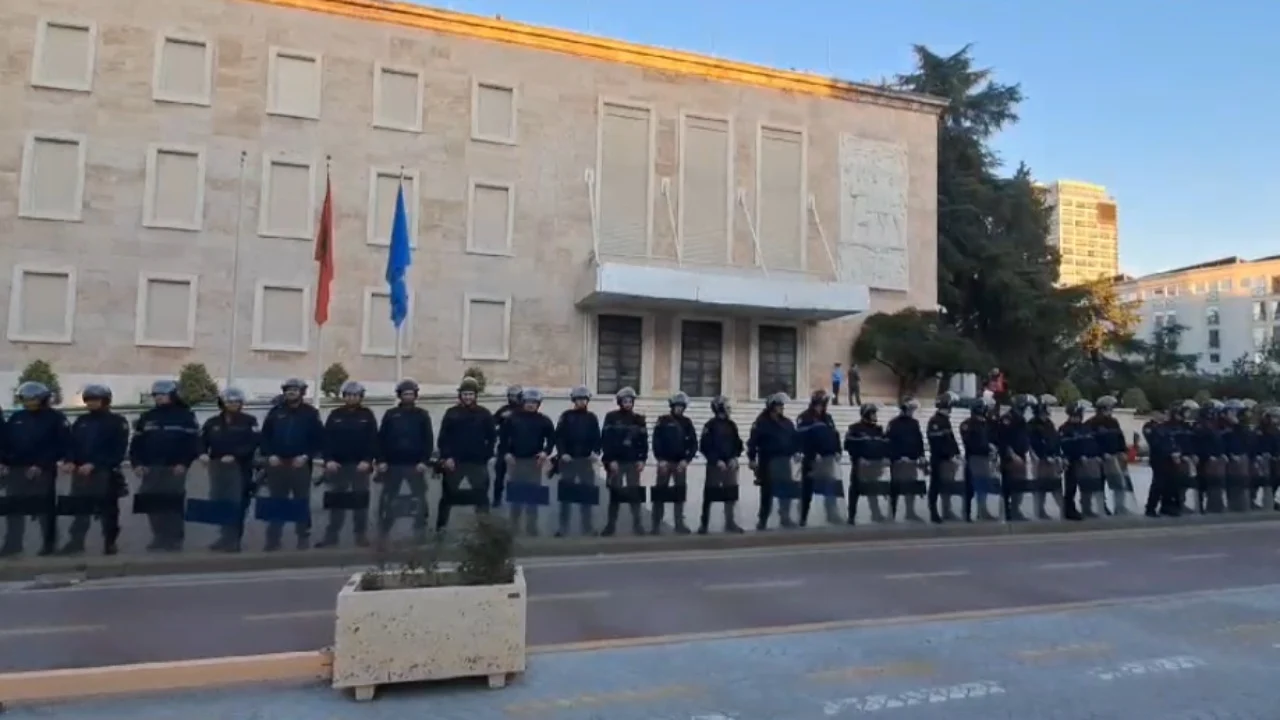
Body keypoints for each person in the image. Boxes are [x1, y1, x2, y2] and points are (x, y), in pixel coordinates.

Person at [129, 379, 200, 551]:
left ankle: (174, 539)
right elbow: (136, 444)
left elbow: (193, 443)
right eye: (156, 395)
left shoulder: (185, 416)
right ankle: (159, 537)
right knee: (152, 504)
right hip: (150, 468)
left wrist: (184, 463)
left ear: (173, 395)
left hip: (174, 468)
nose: (159, 398)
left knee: (172, 504)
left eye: (163, 394)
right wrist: (137, 464)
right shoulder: (148, 417)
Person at [1, 382, 71, 556]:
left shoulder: (56, 418)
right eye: (25, 399)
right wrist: (3, 461)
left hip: (42, 470)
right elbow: (5, 442)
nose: (29, 402)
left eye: (33, 399)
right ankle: (12, 545)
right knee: (14, 508)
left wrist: (41, 464)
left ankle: (49, 544)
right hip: (16, 469)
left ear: (43, 399)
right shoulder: (17, 418)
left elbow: (61, 445)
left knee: (44, 510)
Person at [61, 384, 129, 556]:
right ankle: (76, 542)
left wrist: (95, 464)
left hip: (105, 473)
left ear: (105, 401)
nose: (91, 403)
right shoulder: (82, 421)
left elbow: (118, 450)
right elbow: (71, 444)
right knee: (80, 509)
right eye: (89, 400)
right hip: (81, 473)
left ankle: (109, 542)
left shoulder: (117, 422)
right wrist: (69, 460)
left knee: (108, 511)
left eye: (95, 400)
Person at [259, 377, 323, 550]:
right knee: (277, 501)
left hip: (300, 465)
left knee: (300, 501)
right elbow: (264, 437)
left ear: (302, 392)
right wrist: (270, 455)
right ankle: (273, 539)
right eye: (288, 390)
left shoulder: (310, 413)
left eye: (295, 389)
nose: (291, 392)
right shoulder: (275, 412)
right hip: (277, 464)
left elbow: (318, 439)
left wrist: (305, 456)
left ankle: (302, 537)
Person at [316, 382, 377, 548]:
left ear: (360, 397)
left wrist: (367, 460)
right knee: (337, 503)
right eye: (349, 395)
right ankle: (331, 537)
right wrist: (328, 460)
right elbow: (326, 440)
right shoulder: (335, 415)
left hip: (360, 467)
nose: (352, 398)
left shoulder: (367, 415)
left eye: (355, 395)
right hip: (338, 467)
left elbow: (373, 440)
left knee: (360, 502)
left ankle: (361, 536)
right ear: (344, 396)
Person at [198, 387, 259, 552]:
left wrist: (235, 455)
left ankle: (234, 539)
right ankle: (224, 536)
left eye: (236, 401)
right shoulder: (212, 422)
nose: (233, 404)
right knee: (220, 501)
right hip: (218, 468)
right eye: (229, 401)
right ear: (222, 403)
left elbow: (253, 443)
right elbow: (201, 441)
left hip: (240, 468)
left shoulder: (249, 421)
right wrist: (202, 454)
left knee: (238, 503)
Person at [376, 379, 434, 542]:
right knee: (388, 498)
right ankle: (383, 531)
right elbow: (381, 439)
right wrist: (381, 461)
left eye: (411, 394)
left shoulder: (422, 415)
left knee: (420, 497)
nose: (408, 397)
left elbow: (428, 440)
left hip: (415, 466)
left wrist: (424, 461)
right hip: (393, 465)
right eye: (405, 394)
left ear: (415, 396)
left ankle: (420, 530)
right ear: (399, 396)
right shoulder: (391, 414)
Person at [436, 377, 496, 532]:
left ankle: (484, 530)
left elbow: (492, 437)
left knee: (481, 497)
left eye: (470, 394)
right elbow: (443, 438)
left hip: (477, 463)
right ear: (460, 395)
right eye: (465, 394)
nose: (468, 397)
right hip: (454, 463)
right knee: (447, 497)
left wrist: (486, 456)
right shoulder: (451, 413)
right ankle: (440, 529)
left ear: (475, 396)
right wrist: (446, 457)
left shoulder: (484, 414)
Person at [499, 388, 555, 536]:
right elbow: (503, 439)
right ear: (523, 403)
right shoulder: (511, 419)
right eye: (528, 402)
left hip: (534, 462)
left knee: (533, 496)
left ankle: (532, 528)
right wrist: (506, 453)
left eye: (534, 403)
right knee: (516, 496)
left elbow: (551, 439)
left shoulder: (544, 420)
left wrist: (545, 452)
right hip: (515, 461)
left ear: (538, 404)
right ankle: (513, 527)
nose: (531, 405)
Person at [553, 385, 601, 537]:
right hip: (569, 461)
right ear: (574, 400)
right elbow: (559, 437)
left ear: (587, 401)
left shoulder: (592, 417)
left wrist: (596, 452)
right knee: (566, 497)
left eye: (584, 399)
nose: (582, 402)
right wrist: (562, 454)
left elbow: (597, 438)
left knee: (587, 496)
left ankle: (587, 527)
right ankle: (563, 528)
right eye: (579, 399)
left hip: (586, 461)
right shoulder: (566, 416)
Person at [600, 387, 648, 536]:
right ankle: (610, 526)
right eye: (625, 401)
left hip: (633, 462)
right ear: (620, 402)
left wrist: (642, 459)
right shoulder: (611, 417)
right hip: (616, 462)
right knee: (615, 494)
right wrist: (610, 459)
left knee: (635, 494)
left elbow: (643, 442)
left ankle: (638, 525)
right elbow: (606, 440)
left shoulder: (639, 419)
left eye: (630, 401)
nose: (627, 404)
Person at [748, 393, 798, 530]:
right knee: (767, 492)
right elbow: (753, 443)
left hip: (784, 460)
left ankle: (785, 517)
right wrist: (752, 459)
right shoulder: (761, 423)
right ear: (771, 407)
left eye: (782, 406)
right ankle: (763, 519)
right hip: (768, 461)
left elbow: (794, 439)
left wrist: (796, 451)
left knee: (786, 490)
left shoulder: (787, 423)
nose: (782, 408)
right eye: (779, 406)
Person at [651, 392, 697, 535]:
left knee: (679, 494)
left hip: (680, 464)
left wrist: (686, 460)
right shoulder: (663, 421)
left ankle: (679, 524)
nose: (679, 409)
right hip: (665, 462)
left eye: (681, 406)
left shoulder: (687, 423)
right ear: (672, 406)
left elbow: (693, 444)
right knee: (659, 494)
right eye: (677, 406)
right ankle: (656, 525)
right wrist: (660, 459)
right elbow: (656, 441)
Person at [698, 396, 744, 534]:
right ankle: (704, 523)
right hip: (715, 465)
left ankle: (730, 522)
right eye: (726, 406)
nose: (729, 409)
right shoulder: (710, 425)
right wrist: (716, 460)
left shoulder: (732, 425)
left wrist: (734, 457)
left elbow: (738, 444)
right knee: (710, 494)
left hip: (729, 464)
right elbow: (705, 446)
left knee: (731, 493)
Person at [797, 390, 842, 526]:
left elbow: (835, 435)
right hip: (812, 459)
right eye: (821, 403)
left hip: (828, 458)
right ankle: (803, 516)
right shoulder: (804, 417)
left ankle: (832, 514)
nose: (822, 406)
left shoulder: (827, 418)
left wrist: (837, 450)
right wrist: (809, 452)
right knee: (807, 488)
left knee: (830, 487)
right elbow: (801, 438)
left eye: (824, 403)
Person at [845, 403, 888, 524]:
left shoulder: (878, 429)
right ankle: (851, 516)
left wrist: (885, 457)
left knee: (873, 489)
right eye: (873, 413)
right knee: (855, 490)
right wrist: (859, 458)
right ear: (866, 414)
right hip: (860, 466)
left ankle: (876, 513)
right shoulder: (855, 428)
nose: (875, 416)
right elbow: (849, 446)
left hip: (875, 465)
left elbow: (885, 445)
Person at [1086, 395, 1128, 515]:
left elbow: (1120, 438)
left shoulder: (1114, 422)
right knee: (1098, 484)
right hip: (1100, 459)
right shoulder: (1092, 423)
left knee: (1118, 483)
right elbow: (1090, 442)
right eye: (1109, 408)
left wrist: (1123, 451)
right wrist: (1100, 454)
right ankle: (1100, 508)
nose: (1111, 411)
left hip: (1114, 459)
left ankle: (1119, 507)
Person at [885, 397, 926, 522]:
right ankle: (891, 513)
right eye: (910, 409)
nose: (912, 412)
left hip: (912, 461)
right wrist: (897, 457)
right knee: (895, 487)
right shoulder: (894, 423)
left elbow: (919, 441)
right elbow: (889, 442)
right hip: (898, 461)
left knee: (911, 487)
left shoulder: (914, 423)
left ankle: (910, 511)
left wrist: (921, 455)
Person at [996, 395, 1034, 521]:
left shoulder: (1021, 420)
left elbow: (1025, 438)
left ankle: (1016, 510)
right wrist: (1011, 455)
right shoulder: (1008, 418)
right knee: (1009, 486)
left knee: (1020, 485)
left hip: (1021, 455)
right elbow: (1002, 439)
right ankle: (1007, 512)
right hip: (1010, 458)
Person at [926, 392, 962, 523]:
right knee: (936, 485)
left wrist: (956, 453)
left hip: (947, 459)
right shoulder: (936, 421)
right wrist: (948, 455)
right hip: (939, 459)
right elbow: (937, 442)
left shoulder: (945, 421)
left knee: (948, 485)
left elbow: (951, 440)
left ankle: (947, 511)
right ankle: (934, 512)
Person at [1058, 400, 1096, 520]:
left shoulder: (1084, 427)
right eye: (1077, 415)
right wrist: (1066, 458)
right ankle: (1069, 510)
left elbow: (1090, 443)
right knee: (1071, 487)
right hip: (1072, 461)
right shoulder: (1065, 429)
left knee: (1087, 486)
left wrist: (1090, 455)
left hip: (1085, 461)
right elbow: (1064, 446)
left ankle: (1087, 508)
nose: (1079, 417)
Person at [1027, 394, 1063, 520]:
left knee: (1055, 486)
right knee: (1040, 487)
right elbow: (1032, 444)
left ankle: (1063, 510)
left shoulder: (1049, 424)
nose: (1050, 410)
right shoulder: (1032, 425)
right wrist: (1039, 457)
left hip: (1052, 460)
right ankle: (1039, 512)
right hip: (1040, 461)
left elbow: (1055, 440)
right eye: (1048, 407)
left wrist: (1058, 455)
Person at [960, 397, 996, 522]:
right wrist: (987, 447)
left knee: (983, 486)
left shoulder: (985, 424)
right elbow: (971, 442)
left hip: (984, 458)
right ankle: (967, 512)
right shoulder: (968, 424)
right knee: (971, 486)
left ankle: (982, 510)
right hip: (974, 457)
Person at [1192, 401, 1227, 514]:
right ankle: (1200, 506)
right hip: (1204, 458)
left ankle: (1214, 505)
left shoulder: (1214, 425)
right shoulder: (1200, 425)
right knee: (1202, 482)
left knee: (1214, 482)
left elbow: (1218, 442)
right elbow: (1200, 443)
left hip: (1214, 458)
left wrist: (1220, 454)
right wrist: (1208, 455)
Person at [1143, 408, 1178, 518]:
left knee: (1170, 483)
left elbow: (1172, 441)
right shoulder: (1150, 427)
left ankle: (1166, 507)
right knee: (1158, 484)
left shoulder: (1165, 427)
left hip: (1170, 459)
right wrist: (1170, 452)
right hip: (1159, 459)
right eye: (1163, 412)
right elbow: (1155, 443)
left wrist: (1176, 452)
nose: (1165, 415)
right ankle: (1150, 508)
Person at [491, 385, 523, 509]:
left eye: (515, 396)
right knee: (499, 475)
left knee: (518, 476)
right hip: (503, 447)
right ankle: (496, 499)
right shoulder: (504, 409)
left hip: (518, 448)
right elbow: (492, 423)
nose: (512, 398)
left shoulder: (524, 410)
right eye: (510, 396)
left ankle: (517, 500)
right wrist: (501, 418)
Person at [1222, 399, 1254, 512]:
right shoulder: (1223, 427)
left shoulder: (1242, 427)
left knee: (1242, 482)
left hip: (1242, 458)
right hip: (1229, 459)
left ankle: (1242, 506)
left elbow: (1247, 441)